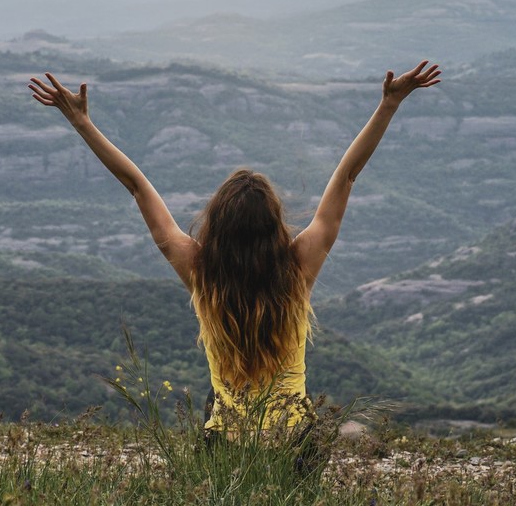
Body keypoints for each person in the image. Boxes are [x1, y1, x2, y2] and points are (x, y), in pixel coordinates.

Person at [28, 61, 441, 440]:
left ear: (217, 226)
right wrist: (389, 104)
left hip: (227, 446)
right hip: (293, 443)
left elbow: (137, 185)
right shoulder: (298, 269)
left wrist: (82, 123)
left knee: (215, 406)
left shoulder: (200, 272)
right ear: (273, 225)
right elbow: (347, 176)